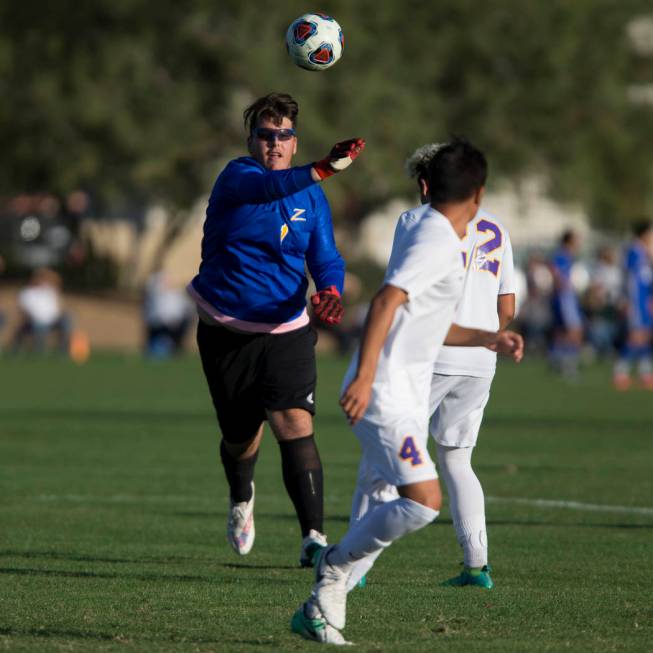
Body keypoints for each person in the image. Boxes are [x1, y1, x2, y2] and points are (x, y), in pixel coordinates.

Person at [291, 138, 523, 645]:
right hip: (388, 392)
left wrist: (489, 337)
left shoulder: (439, 234)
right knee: (422, 500)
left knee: (383, 493)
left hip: (406, 387)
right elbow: (387, 301)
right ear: (477, 194)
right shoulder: (435, 237)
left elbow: (431, 321)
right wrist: (367, 374)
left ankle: (323, 607)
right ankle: (333, 569)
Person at [187, 92, 365, 566]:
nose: (274, 143)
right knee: (240, 437)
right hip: (227, 331)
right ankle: (241, 495)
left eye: (283, 136)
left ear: (294, 141)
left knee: (294, 423)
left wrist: (330, 289)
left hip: (287, 328)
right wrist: (324, 166)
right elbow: (269, 190)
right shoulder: (237, 177)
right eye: (265, 135)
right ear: (251, 141)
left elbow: (325, 256)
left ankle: (313, 539)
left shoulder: (311, 194)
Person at [345, 142, 516, 592]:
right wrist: (491, 336)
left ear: (425, 185)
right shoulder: (497, 227)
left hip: (430, 357)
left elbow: (395, 294)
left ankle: (354, 569)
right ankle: (476, 565)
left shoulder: (415, 221)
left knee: (381, 464)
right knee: (458, 459)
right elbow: (508, 302)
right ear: (476, 190)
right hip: (481, 359)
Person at [613, 221, 653, 390]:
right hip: (636, 302)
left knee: (645, 336)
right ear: (644, 234)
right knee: (635, 336)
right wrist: (630, 302)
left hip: (645, 302)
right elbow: (631, 281)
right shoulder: (634, 251)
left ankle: (646, 374)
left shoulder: (644, 253)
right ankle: (620, 373)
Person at [11, 268, 72, 354]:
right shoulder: (27, 292)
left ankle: (63, 351)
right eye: (40, 278)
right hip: (34, 321)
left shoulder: (50, 291)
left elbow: (58, 282)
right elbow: (24, 310)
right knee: (39, 325)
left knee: (66, 320)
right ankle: (38, 351)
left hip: (53, 320)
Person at [549, 229, 583, 379]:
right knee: (574, 330)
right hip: (565, 297)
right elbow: (555, 271)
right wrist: (564, 285)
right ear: (569, 240)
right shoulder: (562, 255)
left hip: (566, 297)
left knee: (562, 331)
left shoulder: (567, 255)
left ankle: (556, 359)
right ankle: (569, 366)